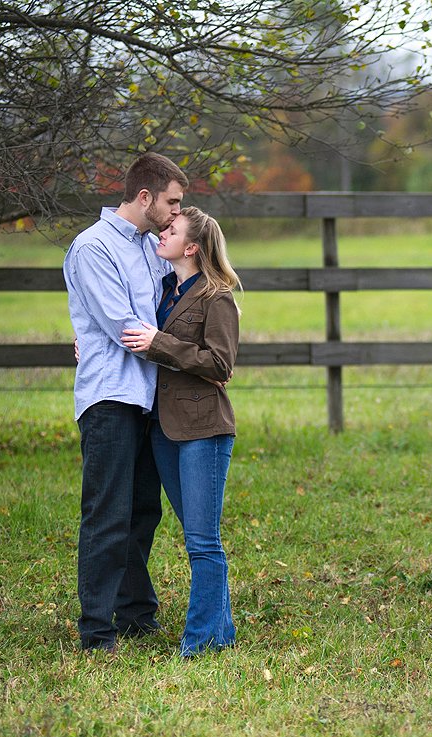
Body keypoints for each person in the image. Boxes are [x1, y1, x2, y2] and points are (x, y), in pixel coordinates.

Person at [63, 152, 188, 652]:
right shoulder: (92, 248)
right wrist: (186, 351)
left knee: (142, 511)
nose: (178, 214)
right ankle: (97, 630)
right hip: (110, 397)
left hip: (149, 397)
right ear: (145, 197)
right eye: (173, 203)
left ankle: (136, 614)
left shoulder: (148, 248)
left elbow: (168, 308)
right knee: (107, 513)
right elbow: (123, 327)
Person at [121, 206, 241, 658]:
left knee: (202, 540)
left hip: (203, 429)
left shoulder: (217, 297)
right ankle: (220, 630)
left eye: (170, 229)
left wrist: (160, 343)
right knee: (196, 534)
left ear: (191, 247)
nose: (161, 232)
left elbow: (220, 364)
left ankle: (202, 641)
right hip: (161, 429)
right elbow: (131, 332)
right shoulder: (163, 290)